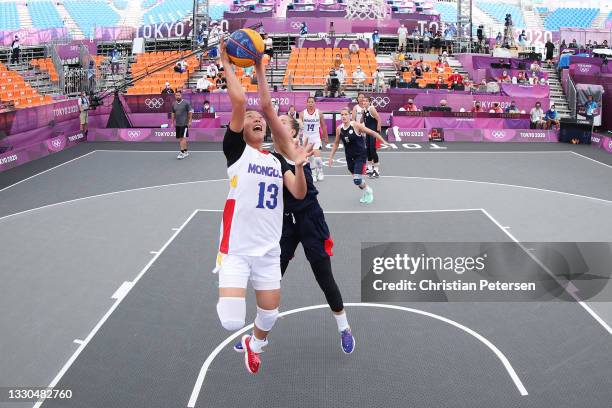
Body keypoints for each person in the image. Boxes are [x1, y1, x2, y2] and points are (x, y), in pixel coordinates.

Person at [234, 82, 355, 358]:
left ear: (292, 132)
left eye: (284, 122)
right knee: (270, 280)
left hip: (310, 218)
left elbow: (297, 190)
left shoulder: (290, 149)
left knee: (324, 278)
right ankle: (257, 339)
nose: (279, 123)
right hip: (284, 224)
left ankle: (344, 327)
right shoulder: (270, 156)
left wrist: (298, 165)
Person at [214, 40, 312, 374]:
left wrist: (298, 165)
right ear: (242, 130)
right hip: (237, 250)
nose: (257, 119)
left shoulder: (275, 159)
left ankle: (254, 344)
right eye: (251, 119)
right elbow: (241, 100)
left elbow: (298, 194)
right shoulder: (237, 153)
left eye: (260, 119)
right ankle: (244, 337)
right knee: (229, 321)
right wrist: (226, 61)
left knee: (269, 314)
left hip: (269, 251)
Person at [328, 108, 387, 204]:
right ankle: (365, 191)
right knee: (357, 179)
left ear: (350, 115)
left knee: (357, 179)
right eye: (342, 114)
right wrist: (331, 157)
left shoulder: (356, 125)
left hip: (360, 156)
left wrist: (384, 141)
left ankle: (368, 191)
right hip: (349, 157)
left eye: (345, 114)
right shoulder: (339, 129)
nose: (343, 116)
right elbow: (335, 144)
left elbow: (373, 132)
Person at [299, 96, 328, 181]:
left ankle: (320, 171)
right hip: (306, 139)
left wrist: (325, 137)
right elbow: (299, 122)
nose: (310, 104)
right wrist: (300, 124)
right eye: (309, 102)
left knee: (317, 158)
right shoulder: (302, 113)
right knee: (310, 158)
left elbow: (323, 126)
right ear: (307, 103)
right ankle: (314, 173)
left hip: (316, 138)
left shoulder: (319, 113)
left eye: (312, 102)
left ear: (314, 103)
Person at [363, 97, 382, 178]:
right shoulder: (365, 110)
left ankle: (376, 171)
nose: (364, 102)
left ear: (370, 102)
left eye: (366, 101)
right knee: (368, 150)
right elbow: (363, 121)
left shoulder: (371, 109)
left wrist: (377, 133)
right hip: (368, 133)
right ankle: (370, 168)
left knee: (373, 150)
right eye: (363, 101)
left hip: (374, 133)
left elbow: (379, 119)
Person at [171, 90, 193, 159]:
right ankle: (186, 152)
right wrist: (172, 122)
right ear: (175, 96)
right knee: (182, 138)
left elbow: (190, 112)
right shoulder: (173, 104)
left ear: (181, 95)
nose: (177, 96)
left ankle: (182, 152)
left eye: (179, 95)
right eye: (176, 95)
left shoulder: (186, 103)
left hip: (184, 123)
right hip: (178, 124)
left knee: (182, 138)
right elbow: (173, 113)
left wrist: (190, 121)